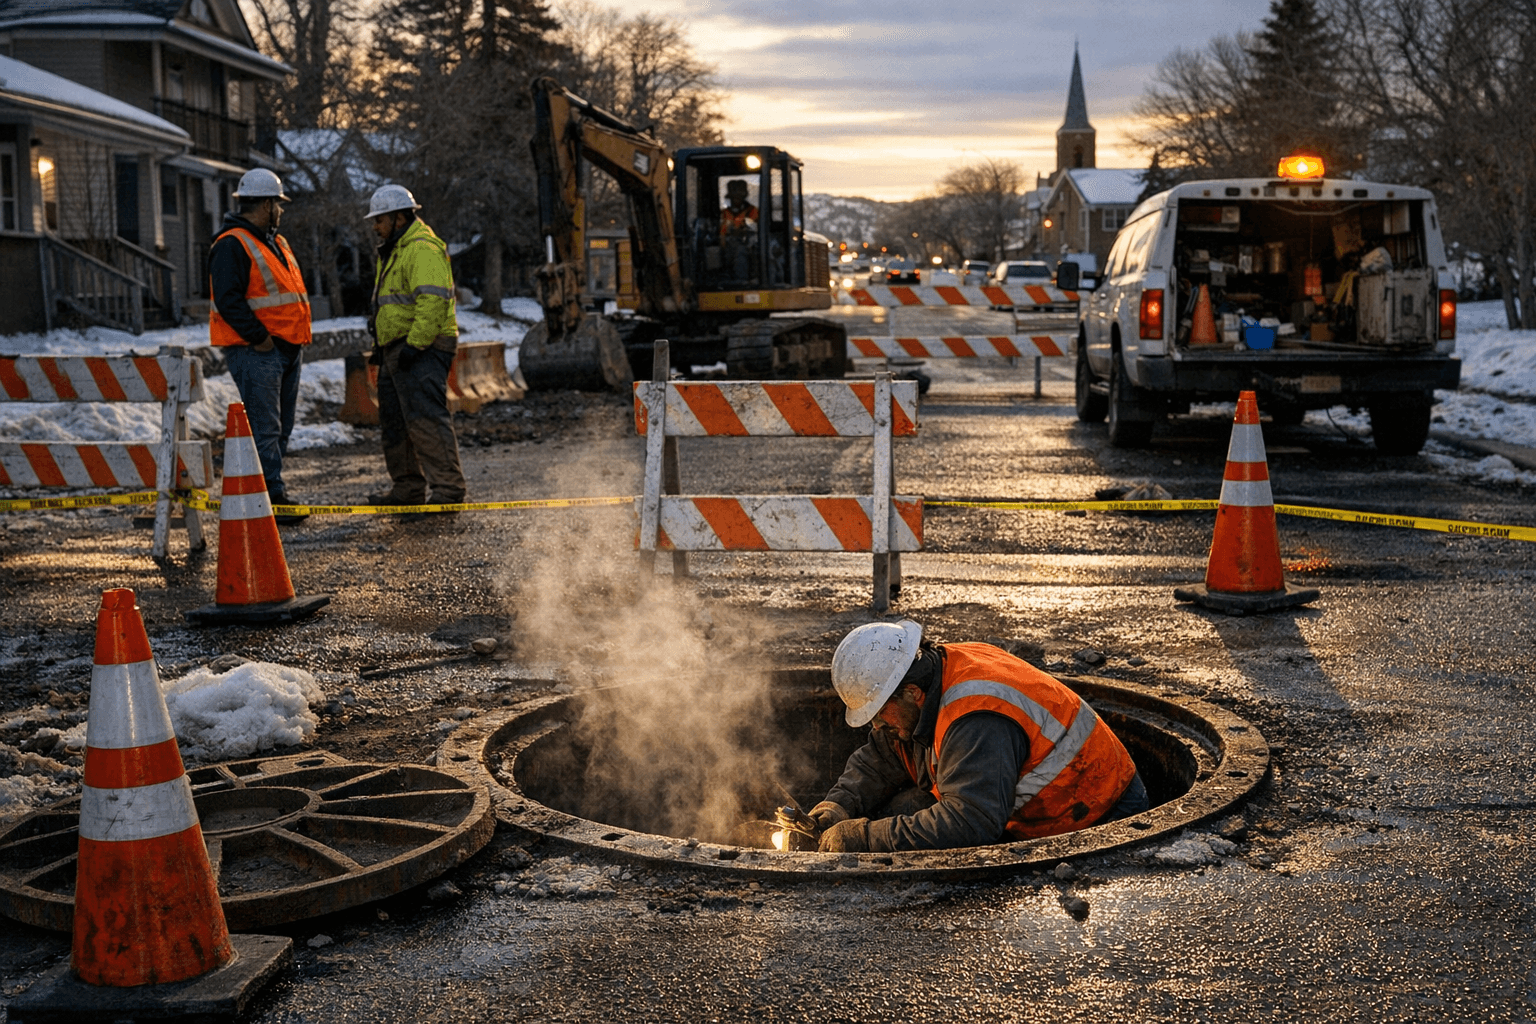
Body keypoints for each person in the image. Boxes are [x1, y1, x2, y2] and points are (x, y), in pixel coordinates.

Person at [807, 620, 1149, 853]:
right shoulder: (933, 672)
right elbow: (882, 757)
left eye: (879, 712)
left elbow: (971, 822)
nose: (877, 725)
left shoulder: (977, 719)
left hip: (1097, 817)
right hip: (1036, 804)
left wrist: (863, 837)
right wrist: (840, 804)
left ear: (911, 692)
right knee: (901, 809)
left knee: (901, 830)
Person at [208, 168, 312, 524]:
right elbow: (228, 300)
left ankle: (271, 494)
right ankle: (270, 497)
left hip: (285, 348)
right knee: (266, 427)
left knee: (280, 425)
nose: (281, 211)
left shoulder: (274, 242)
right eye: (278, 204)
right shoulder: (231, 243)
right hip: (258, 350)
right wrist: (260, 338)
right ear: (267, 204)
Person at [363, 184, 466, 515]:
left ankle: (448, 489)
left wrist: (415, 345)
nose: (376, 227)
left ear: (400, 217)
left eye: (380, 220)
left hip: (421, 347)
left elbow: (433, 301)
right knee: (395, 421)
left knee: (425, 419)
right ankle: (407, 488)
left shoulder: (421, 248)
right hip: (399, 347)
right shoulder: (397, 249)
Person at [719, 179, 758, 281]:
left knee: (741, 253)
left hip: (748, 247)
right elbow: (722, 232)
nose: (736, 199)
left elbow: (758, 228)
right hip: (728, 248)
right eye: (734, 197)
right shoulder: (725, 213)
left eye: (739, 196)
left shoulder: (751, 211)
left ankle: (743, 280)